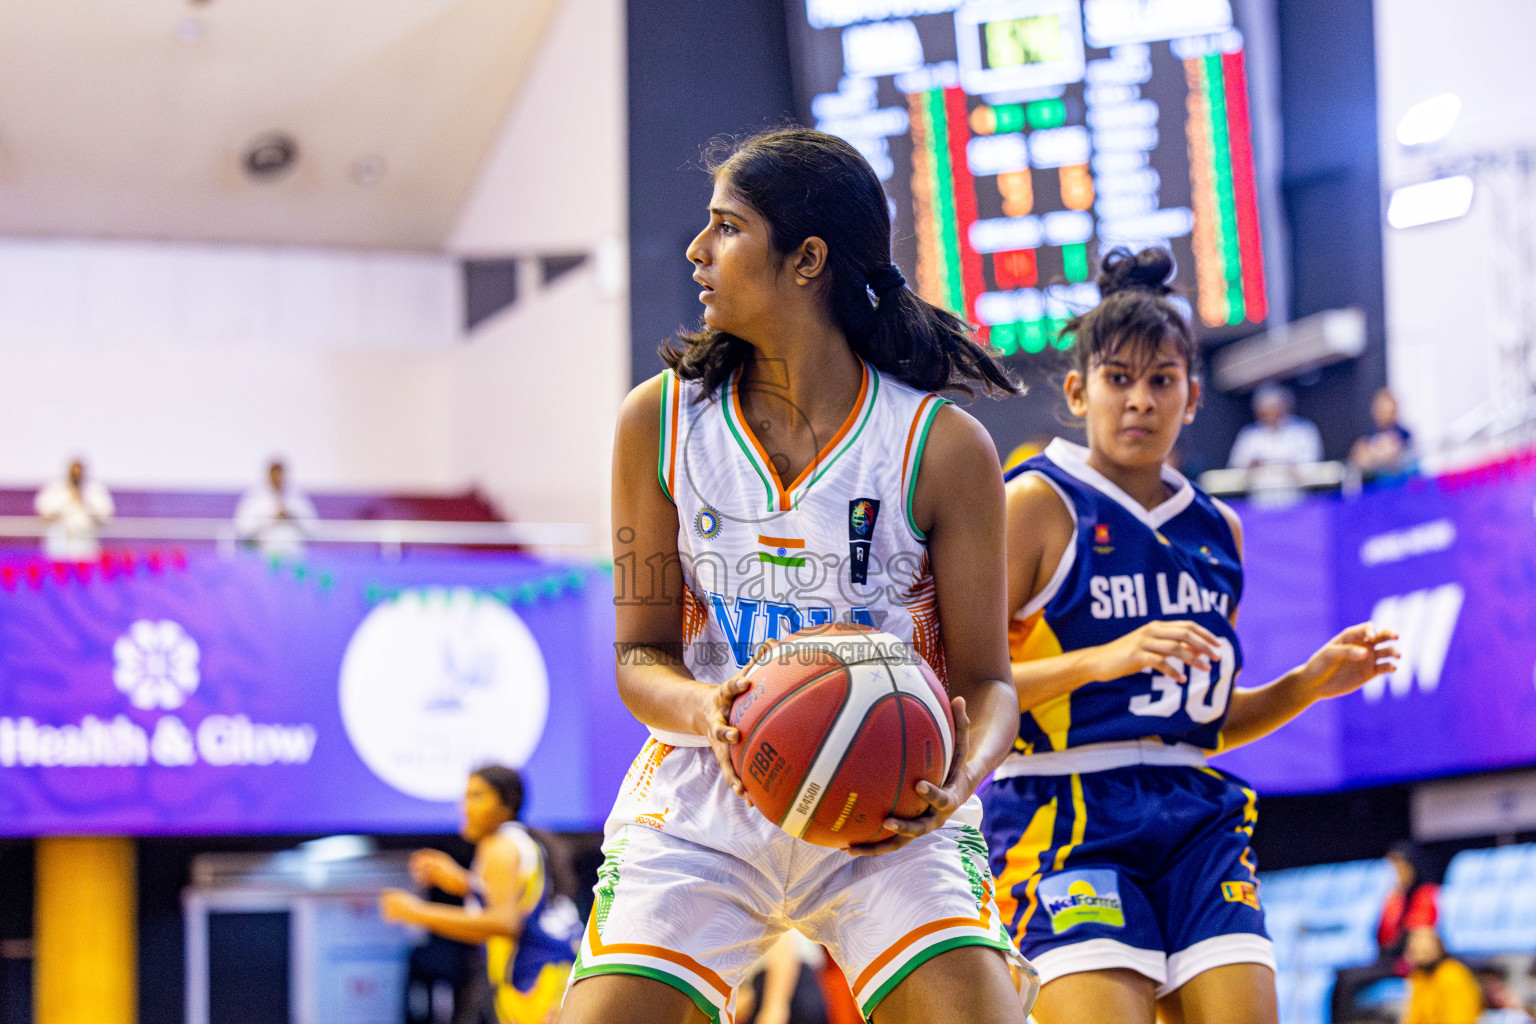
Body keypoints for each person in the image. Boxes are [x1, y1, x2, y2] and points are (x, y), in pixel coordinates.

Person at [562, 128, 1037, 1024]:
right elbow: (640, 658)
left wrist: (955, 785)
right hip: (710, 790)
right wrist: (711, 710)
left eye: (727, 227)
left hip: (895, 808)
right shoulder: (658, 424)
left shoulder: (939, 447)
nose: (698, 251)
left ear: (807, 260)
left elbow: (988, 684)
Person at [983, 247, 1400, 1024]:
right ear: (1078, 391)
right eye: (1119, 379)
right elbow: (966, 687)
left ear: (1193, 396)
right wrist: (1097, 661)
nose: (1139, 400)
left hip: (1194, 814)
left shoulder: (1221, 531)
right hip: (1061, 810)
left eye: (1160, 381)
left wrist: (1307, 683)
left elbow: (1202, 727)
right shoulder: (1034, 504)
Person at [381, 766, 579, 1024]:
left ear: (505, 804)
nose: (465, 807)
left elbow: (504, 923)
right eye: (465, 797)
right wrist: (462, 882)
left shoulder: (498, 847)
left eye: (477, 796)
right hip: (547, 976)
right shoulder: (516, 840)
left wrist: (415, 912)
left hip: (537, 983)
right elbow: (511, 901)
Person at [1227, 382, 1323, 470]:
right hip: (1259, 488)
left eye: (1273, 408)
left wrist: (1284, 466)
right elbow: (1235, 467)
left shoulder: (1304, 430)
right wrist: (1253, 465)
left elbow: (1311, 466)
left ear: (1285, 406)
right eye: (1264, 410)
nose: (1270, 414)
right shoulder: (1249, 435)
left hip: (1295, 489)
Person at [234, 458, 318, 557]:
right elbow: (242, 527)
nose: (278, 478)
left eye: (280, 474)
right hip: (263, 553)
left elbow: (313, 528)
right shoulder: (255, 498)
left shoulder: (297, 498)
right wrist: (271, 519)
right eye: (274, 474)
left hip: (293, 554)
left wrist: (292, 516)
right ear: (268, 476)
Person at [34, 457, 114, 560]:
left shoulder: (94, 490)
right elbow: (44, 512)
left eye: (79, 472)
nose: (76, 475)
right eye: (73, 472)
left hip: (87, 546)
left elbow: (105, 516)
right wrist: (68, 498)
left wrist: (84, 501)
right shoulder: (55, 489)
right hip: (59, 546)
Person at [1402, 927, 1481, 1024]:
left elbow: (1459, 1018)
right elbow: (1413, 1017)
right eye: (1415, 952)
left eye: (1424, 951)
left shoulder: (1451, 975)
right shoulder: (1419, 977)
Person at [1379, 841, 1439, 964]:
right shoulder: (1394, 899)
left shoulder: (1426, 893)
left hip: (1419, 963)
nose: (1394, 874)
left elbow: (1417, 940)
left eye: (1399, 868)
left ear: (1412, 867)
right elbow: (1385, 940)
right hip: (1393, 961)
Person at [1349, 388, 1416, 481]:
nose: (1383, 413)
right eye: (1380, 408)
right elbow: (1359, 458)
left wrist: (1374, 456)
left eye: (1386, 409)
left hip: (1399, 485)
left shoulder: (1403, 434)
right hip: (1375, 486)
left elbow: (1397, 458)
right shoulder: (1369, 434)